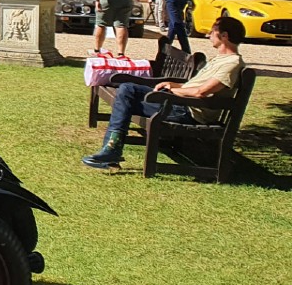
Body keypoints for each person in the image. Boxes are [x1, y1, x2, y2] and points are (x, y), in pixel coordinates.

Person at [83, 15, 246, 169]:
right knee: (127, 88)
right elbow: (194, 87)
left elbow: (201, 93)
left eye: (213, 31)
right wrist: (172, 84)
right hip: (178, 102)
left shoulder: (231, 64)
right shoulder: (220, 59)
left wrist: (174, 91)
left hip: (187, 111)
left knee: (126, 98)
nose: (209, 34)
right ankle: (111, 149)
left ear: (224, 35)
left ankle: (111, 150)